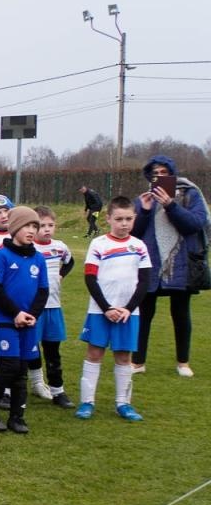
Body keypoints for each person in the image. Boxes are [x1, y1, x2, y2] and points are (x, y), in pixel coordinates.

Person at [76, 196, 151, 422]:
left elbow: (144, 281)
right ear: (108, 219)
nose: (124, 223)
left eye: (128, 219)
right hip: (100, 311)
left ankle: (123, 404)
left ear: (135, 218)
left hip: (129, 313)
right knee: (94, 353)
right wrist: (107, 307)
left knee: (123, 357)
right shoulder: (99, 244)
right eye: (119, 219)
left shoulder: (139, 246)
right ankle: (87, 402)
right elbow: (90, 278)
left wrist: (128, 308)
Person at [132, 154, 207, 377]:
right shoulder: (144, 198)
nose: (159, 177)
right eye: (155, 173)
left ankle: (183, 363)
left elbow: (195, 224)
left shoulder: (189, 193)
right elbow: (134, 233)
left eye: (164, 173)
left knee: (181, 312)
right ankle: (137, 362)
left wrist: (170, 205)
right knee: (144, 312)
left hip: (181, 262)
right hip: (151, 263)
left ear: (172, 174)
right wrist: (144, 211)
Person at [0, 206, 47, 434]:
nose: (32, 230)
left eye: (35, 226)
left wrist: (31, 316)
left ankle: (17, 417)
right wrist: (15, 313)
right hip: (7, 321)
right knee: (9, 367)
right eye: (27, 225)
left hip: (28, 323)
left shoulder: (38, 258)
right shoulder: (2, 255)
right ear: (15, 227)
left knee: (22, 371)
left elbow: (43, 291)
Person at [28, 207, 76, 410]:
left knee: (53, 350)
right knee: (31, 349)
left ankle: (58, 390)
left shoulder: (60, 247)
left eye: (50, 225)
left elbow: (70, 261)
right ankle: (37, 383)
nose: (46, 229)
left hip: (54, 307)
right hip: (34, 308)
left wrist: (61, 275)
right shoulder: (30, 248)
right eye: (41, 225)